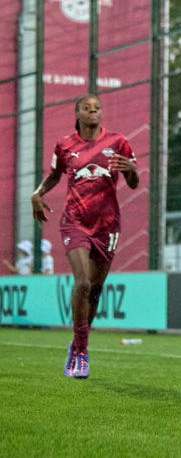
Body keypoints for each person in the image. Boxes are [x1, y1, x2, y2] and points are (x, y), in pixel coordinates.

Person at [31, 93, 139, 379]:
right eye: (87, 109)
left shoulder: (118, 142)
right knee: (82, 282)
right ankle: (81, 352)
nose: (94, 112)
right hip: (74, 221)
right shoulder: (65, 145)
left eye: (97, 108)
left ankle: (77, 344)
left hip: (107, 225)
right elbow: (55, 174)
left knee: (95, 290)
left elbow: (132, 181)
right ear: (77, 114)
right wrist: (38, 193)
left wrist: (132, 170)